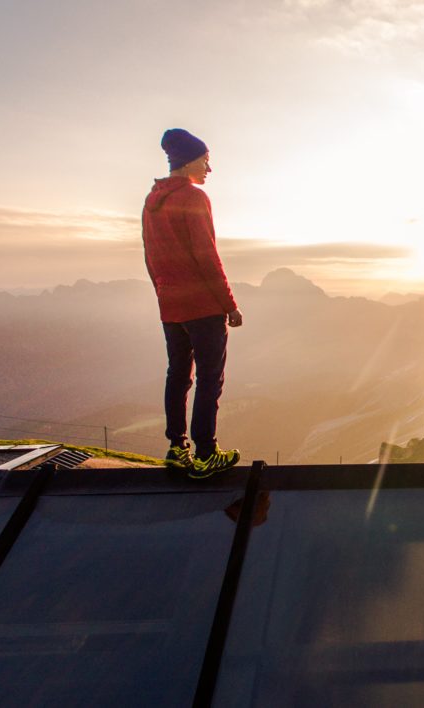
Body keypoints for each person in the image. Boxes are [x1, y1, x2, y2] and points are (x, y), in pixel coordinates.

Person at [142, 128, 243, 478]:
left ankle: (176, 447)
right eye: (205, 161)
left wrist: (163, 294)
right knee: (209, 378)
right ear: (188, 163)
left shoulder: (152, 201)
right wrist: (229, 305)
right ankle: (206, 453)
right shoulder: (193, 197)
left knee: (178, 375)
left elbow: (150, 256)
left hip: (170, 306)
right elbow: (207, 257)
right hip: (202, 306)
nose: (209, 170)